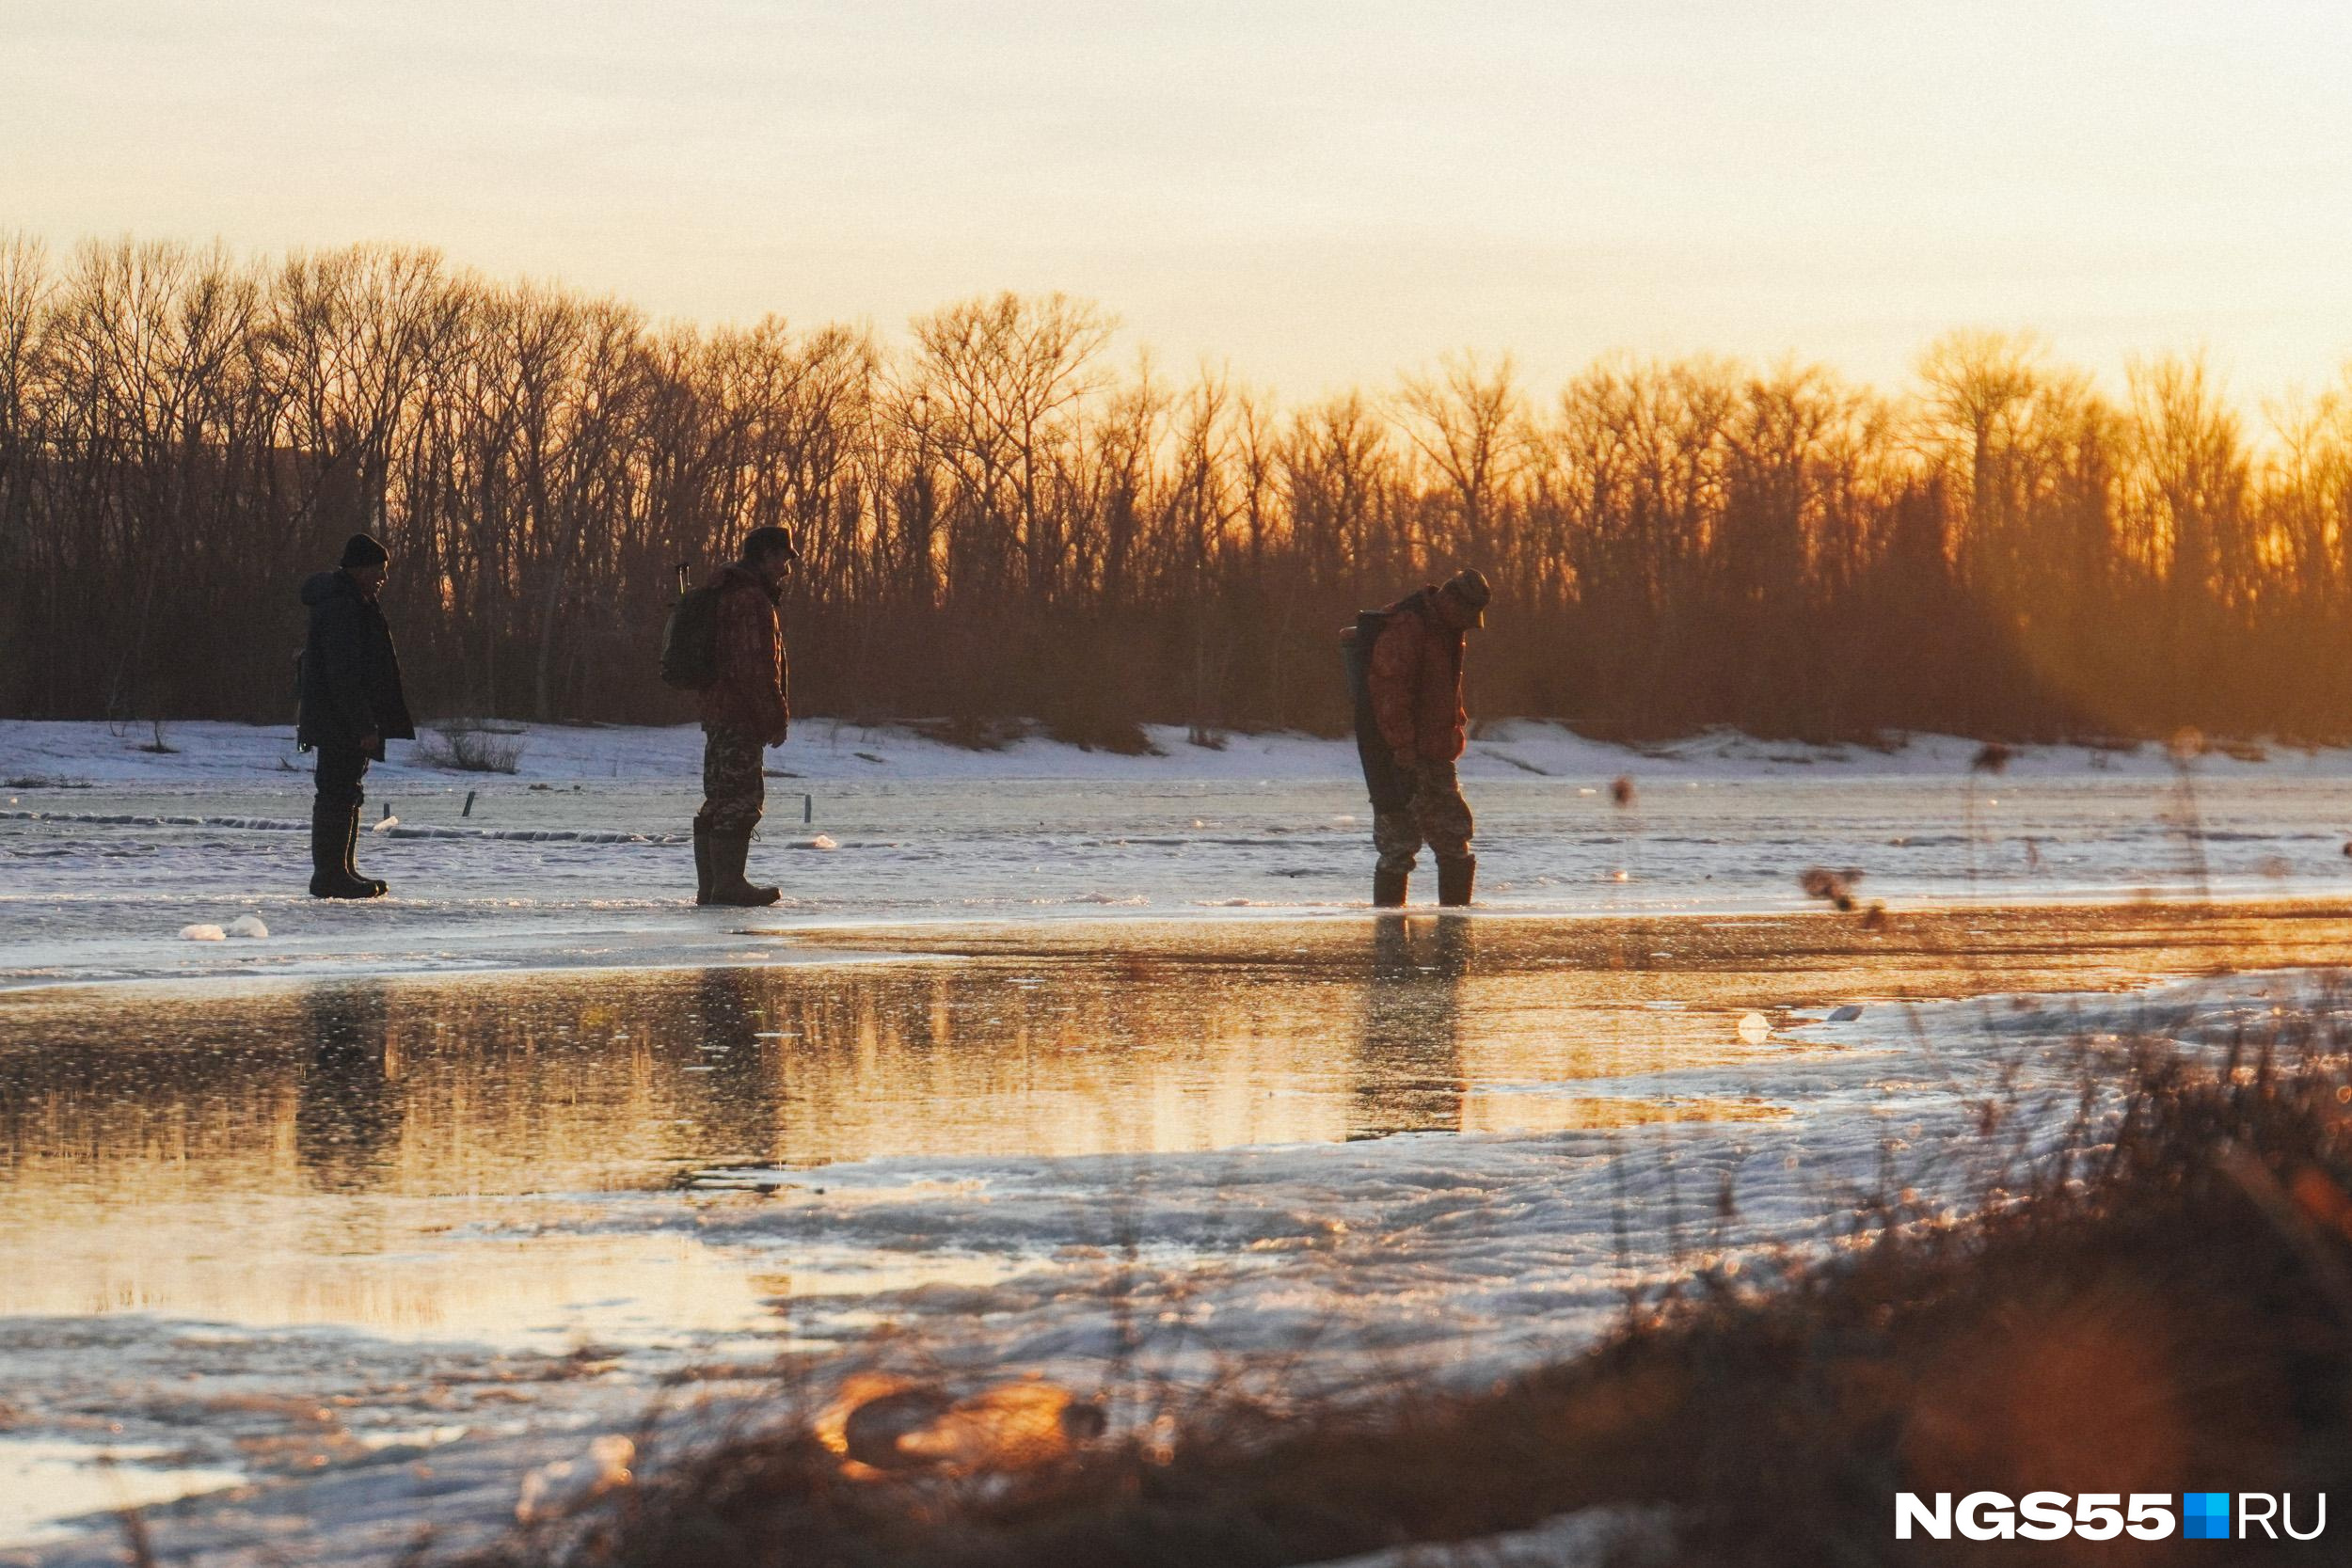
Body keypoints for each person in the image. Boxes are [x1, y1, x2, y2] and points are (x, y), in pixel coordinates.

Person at [296, 532, 415, 899]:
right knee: (336, 792)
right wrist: (363, 724)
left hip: (343, 717)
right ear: (359, 568)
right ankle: (330, 876)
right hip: (340, 720)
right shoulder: (342, 606)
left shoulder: (355, 601)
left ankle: (341, 870)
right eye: (378, 570)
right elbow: (343, 673)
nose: (383, 577)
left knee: (346, 792)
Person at [1365, 567, 1491, 908]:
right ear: (1451, 602)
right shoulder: (1409, 628)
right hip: (1401, 756)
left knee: (1453, 837)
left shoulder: (1445, 631)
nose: (1468, 623)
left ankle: (1454, 925)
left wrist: (1453, 731)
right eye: (1466, 614)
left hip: (1435, 753)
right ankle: (1391, 936)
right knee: (1398, 843)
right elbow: (1390, 692)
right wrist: (1402, 747)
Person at [694, 525, 799, 906]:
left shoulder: (725, 593)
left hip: (719, 710)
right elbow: (754, 665)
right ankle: (728, 885)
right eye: (784, 558)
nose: (786, 568)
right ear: (766, 555)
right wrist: (774, 714)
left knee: (719, 796)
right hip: (739, 714)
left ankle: (712, 887)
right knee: (740, 798)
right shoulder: (750, 599)